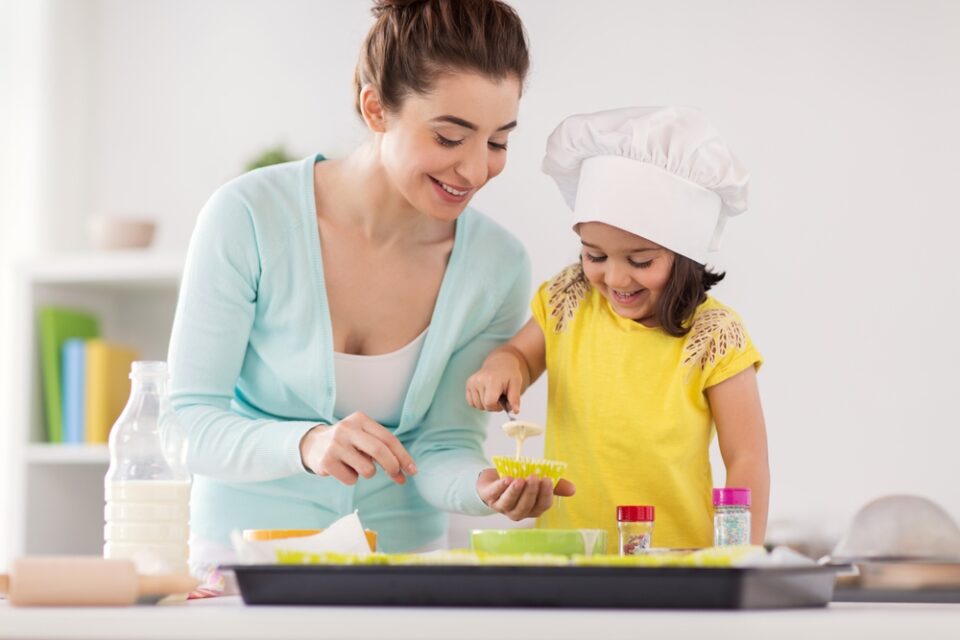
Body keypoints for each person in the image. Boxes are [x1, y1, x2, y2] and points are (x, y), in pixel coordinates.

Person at [167, 0, 573, 574]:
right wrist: (306, 444)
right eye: (451, 138)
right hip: (243, 563)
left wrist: (483, 487)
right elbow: (187, 422)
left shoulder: (495, 265)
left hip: (401, 569)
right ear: (376, 108)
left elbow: (442, 446)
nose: (476, 170)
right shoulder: (249, 217)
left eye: (498, 142)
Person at [466, 106, 770, 551]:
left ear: (684, 256)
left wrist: (742, 556)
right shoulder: (567, 300)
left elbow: (746, 458)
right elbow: (518, 357)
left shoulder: (715, 335)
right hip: (571, 555)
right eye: (595, 256)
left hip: (676, 561)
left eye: (641, 261)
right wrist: (500, 368)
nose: (615, 278)